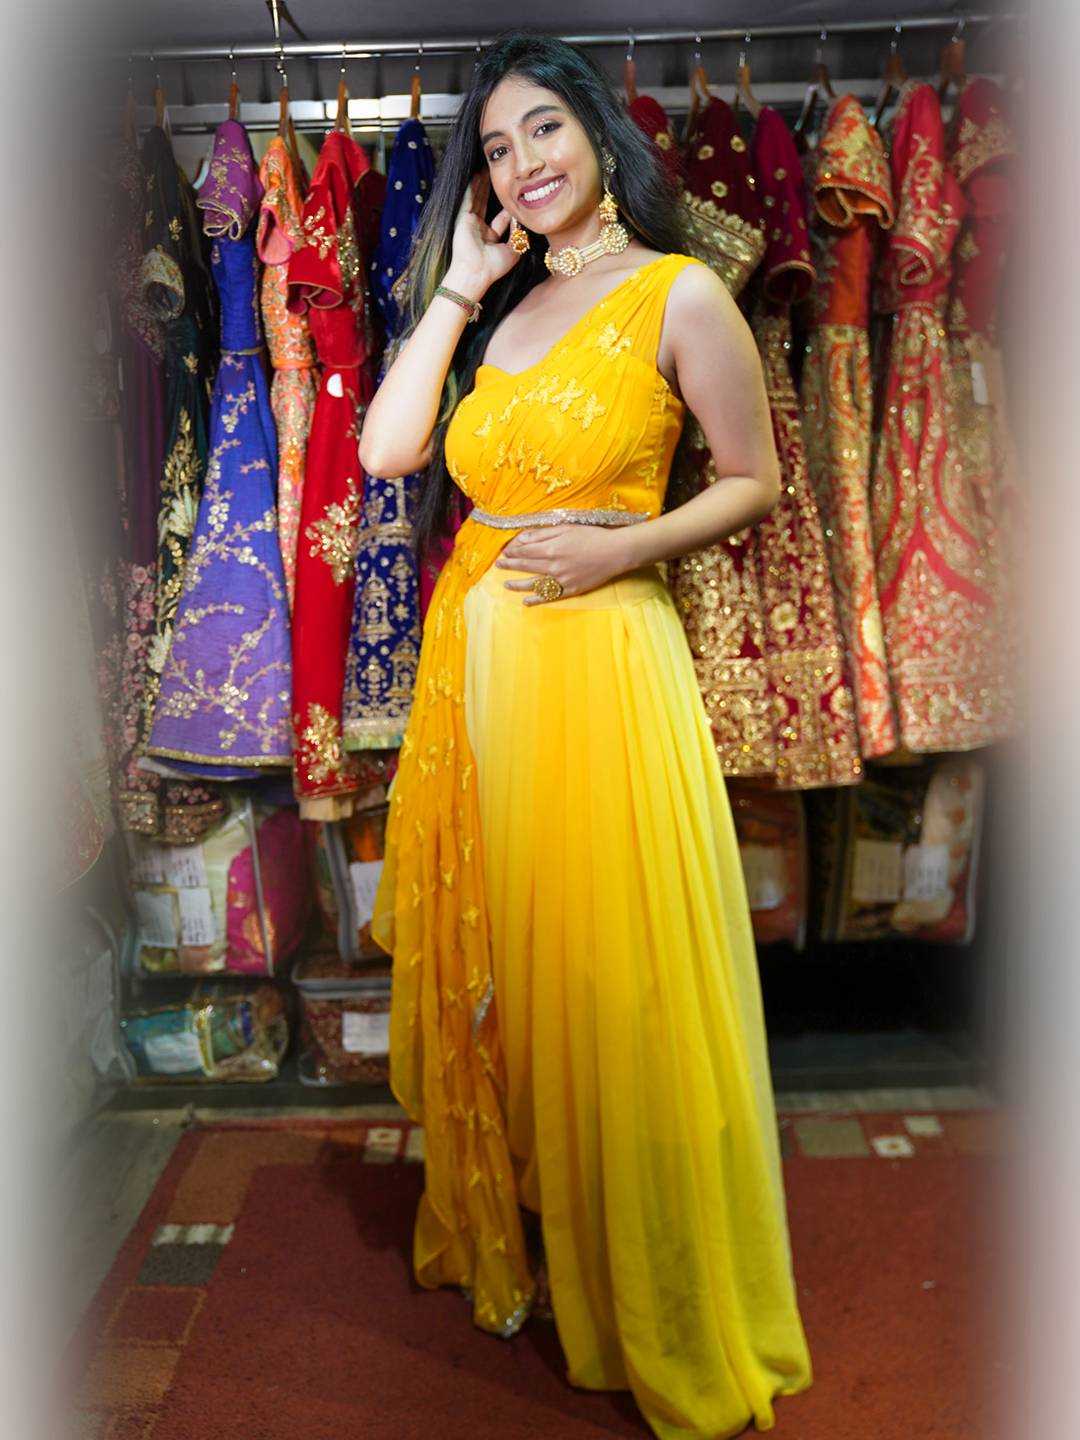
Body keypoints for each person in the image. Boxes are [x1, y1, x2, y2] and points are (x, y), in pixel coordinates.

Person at [361, 30, 813, 1440]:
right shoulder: (499, 312)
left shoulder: (681, 291)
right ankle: (563, 1233)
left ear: (601, 136)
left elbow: (753, 478)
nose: (524, 164)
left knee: (617, 981)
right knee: (528, 970)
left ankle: (657, 1287)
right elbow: (388, 450)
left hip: (608, 672)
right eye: (496, 150)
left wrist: (626, 549)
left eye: (544, 129)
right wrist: (458, 284)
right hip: (484, 682)